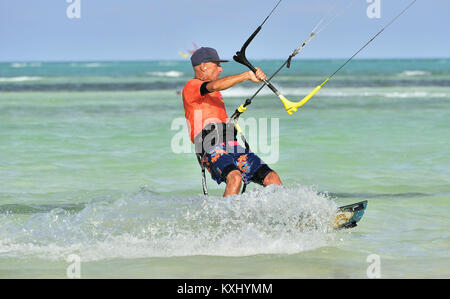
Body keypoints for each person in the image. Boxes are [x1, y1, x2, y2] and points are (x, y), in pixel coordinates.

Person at [182, 47, 282, 197]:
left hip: (231, 145)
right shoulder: (192, 86)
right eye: (217, 65)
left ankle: (290, 217)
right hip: (209, 145)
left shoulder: (215, 93)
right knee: (235, 177)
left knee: (271, 177)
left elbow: (216, 91)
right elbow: (215, 85)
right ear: (203, 66)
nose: (221, 70)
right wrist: (247, 75)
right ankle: (225, 219)